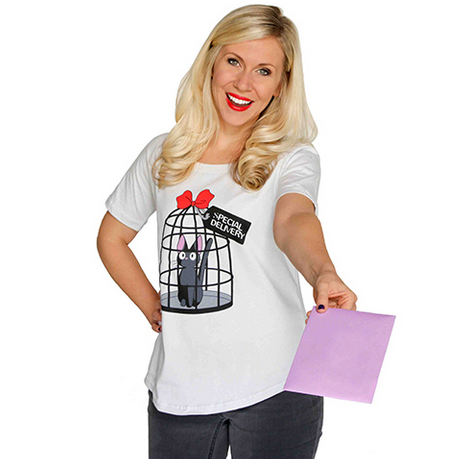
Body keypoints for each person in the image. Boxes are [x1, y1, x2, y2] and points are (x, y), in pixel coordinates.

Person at [97, 4, 357, 458]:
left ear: (281, 85)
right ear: (211, 62)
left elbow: (293, 220)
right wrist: (152, 304)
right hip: (181, 388)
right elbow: (111, 237)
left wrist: (323, 272)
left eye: (264, 71)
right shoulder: (163, 154)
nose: (243, 83)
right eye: (234, 61)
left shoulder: (292, 157)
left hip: (280, 384)